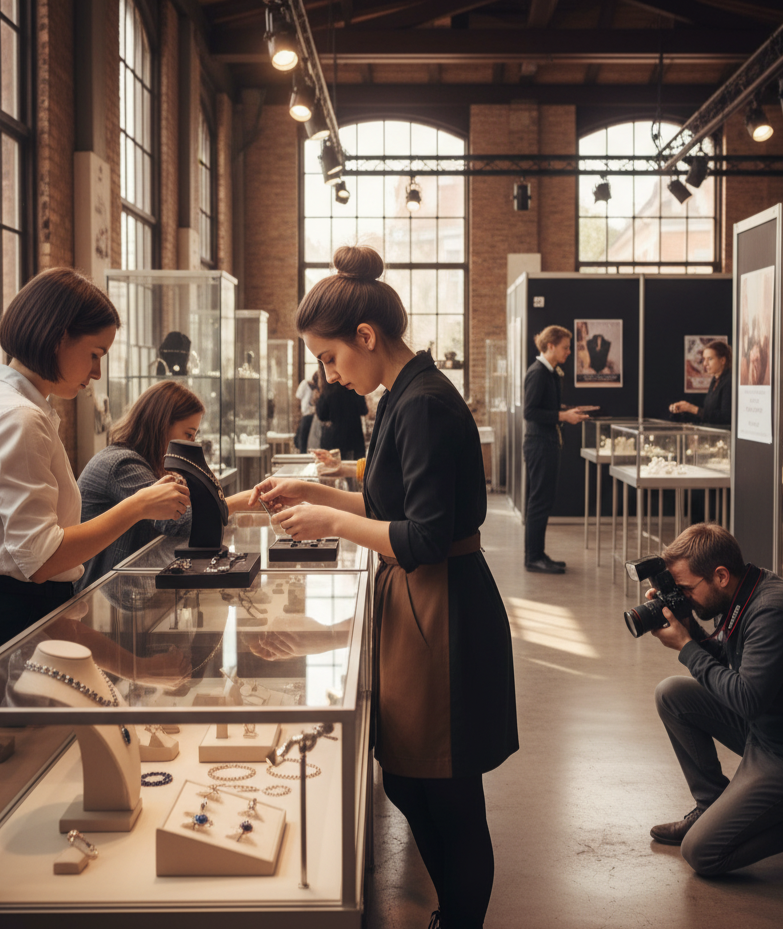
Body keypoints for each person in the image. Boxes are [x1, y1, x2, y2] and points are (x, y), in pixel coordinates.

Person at [252, 245, 518, 929]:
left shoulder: (422, 402)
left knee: (448, 788)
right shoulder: (404, 394)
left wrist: (329, 520)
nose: (330, 376)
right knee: (406, 774)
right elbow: (390, 501)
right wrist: (315, 491)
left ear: (366, 336)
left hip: (442, 604)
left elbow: (424, 535)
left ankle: (460, 919)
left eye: (330, 358)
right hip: (420, 599)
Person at [0, 268, 189, 688]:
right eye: (95, 354)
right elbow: (43, 559)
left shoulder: (19, 408)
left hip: (16, 618)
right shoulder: (19, 417)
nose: (97, 372)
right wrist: (137, 506)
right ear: (58, 338)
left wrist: (138, 669)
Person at [645, 523, 783, 876]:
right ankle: (709, 804)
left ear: (720, 576)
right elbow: (731, 666)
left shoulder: (773, 610)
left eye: (686, 589)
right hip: (771, 727)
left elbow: (747, 700)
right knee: (672, 694)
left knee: (702, 853)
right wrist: (688, 626)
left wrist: (686, 647)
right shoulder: (741, 593)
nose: (683, 596)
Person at [77, 380, 262, 590]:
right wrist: (238, 501)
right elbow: (177, 520)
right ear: (161, 426)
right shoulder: (122, 464)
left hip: (125, 587)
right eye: (188, 434)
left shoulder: (141, 462)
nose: (191, 443)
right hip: (103, 592)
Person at [523, 325, 591, 574]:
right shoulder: (538, 373)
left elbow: (544, 407)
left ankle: (538, 554)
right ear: (550, 346)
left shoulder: (549, 372)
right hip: (539, 444)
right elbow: (530, 412)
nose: (569, 352)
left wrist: (566, 412)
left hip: (546, 443)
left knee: (543, 500)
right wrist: (563, 415)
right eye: (565, 347)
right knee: (539, 501)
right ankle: (533, 558)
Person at [669, 340, 733, 426]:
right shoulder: (715, 380)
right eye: (704, 359)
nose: (705, 364)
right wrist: (684, 409)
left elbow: (725, 418)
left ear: (722, 360)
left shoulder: (729, 381)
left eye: (710, 359)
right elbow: (708, 414)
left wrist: (691, 408)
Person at [314, 377, 368, 460]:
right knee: (353, 465)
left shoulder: (327, 391)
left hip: (333, 437)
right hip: (353, 436)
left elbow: (321, 415)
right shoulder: (355, 390)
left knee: (333, 465)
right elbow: (364, 410)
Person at [293, 370, 318, 452]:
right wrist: (297, 416)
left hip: (315, 416)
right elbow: (298, 400)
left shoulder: (318, 388)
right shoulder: (305, 384)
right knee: (302, 439)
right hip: (306, 415)